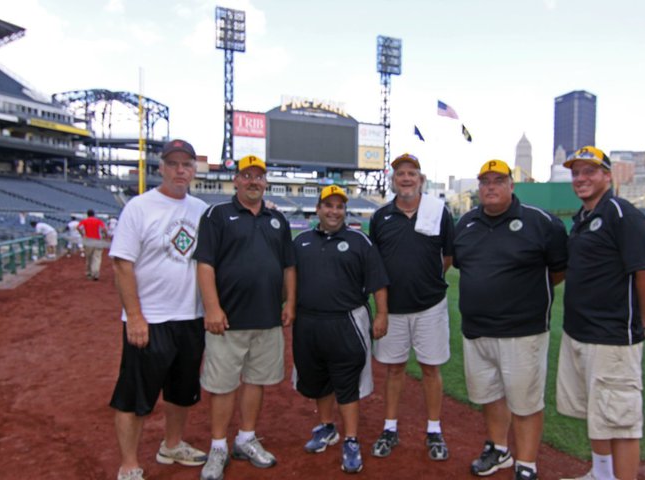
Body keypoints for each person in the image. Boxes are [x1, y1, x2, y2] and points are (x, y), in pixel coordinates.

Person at [453, 160, 568, 480]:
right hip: (477, 329)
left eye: (498, 180)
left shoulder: (540, 222)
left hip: (523, 331)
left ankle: (526, 463)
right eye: (485, 181)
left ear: (511, 185)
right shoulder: (465, 223)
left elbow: (558, 270)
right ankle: (499, 449)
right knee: (489, 395)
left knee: (525, 400)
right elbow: (466, 267)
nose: (491, 186)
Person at [557, 146, 645, 480]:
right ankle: (601, 473)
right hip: (580, 332)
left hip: (612, 337)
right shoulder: (583, 218)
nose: (581, 178)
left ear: (607, 175)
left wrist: (641, 320)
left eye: (590, 171)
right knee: (597, 411)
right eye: (576, 172)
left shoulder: (622, 213)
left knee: (621, 421)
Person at [108, 139, 209, 480]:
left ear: (194, 170)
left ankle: (172, 444)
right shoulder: (139, 207)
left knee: (182, 392)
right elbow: (122, 265)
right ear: (162, 168)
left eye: (187, 165)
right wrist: (135, 316)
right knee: (135, 395)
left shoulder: (201, 209)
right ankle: (129, 464)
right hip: (150, 319)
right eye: (174, 164)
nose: (181, 170)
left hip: (190, 317)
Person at [193, 155, 297, 480]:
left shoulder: (277, 221)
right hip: (228, 320)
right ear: (236, 180)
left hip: (267, 319)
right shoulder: (217, 215)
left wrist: (290, 301)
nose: (254, 181)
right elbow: (205, 263)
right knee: (223, 385)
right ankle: (218, 445)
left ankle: (246, 437)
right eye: (247, 175)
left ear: (266, 182)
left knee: (256, 381)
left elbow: (288, 267)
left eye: (259, 176)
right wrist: (212, 306)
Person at [293, 185, 390, 474]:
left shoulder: (360, 241)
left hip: (347, 320)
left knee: (346, 382)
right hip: (308, 322)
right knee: (318, 378)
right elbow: (291, 280)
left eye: (339, 207)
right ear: (318, 209)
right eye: (328, 206)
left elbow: (377, 281)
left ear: (345, 211)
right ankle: (326, 428)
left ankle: (351, 439)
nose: (334, 211)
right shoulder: (301, 242)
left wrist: (382, 314)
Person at [369, 153, 455, 461]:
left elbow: (447, 256)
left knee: (431, 369)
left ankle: (434, 430)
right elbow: (375, 266)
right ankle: (390, 428)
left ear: (420, 179)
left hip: (430, 306)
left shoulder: (438, 212)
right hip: (392, 307)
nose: (406, 178)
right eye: (400, 174)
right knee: (394, 370)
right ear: (393, 181)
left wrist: (428, 281)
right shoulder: (381, 217)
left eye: (411, 173)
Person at [78, 208, 108, 280]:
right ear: (94, 214)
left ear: (87, 214)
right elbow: (104, 229)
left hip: (88, 241)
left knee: (89, 258)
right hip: (97, 240)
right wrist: (105, 236)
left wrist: (82, 235)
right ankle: (95, 273)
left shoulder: (84, 221)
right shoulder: (98, 221)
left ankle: (89, 273)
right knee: (97, 258)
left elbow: (78, 227)